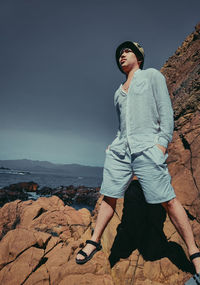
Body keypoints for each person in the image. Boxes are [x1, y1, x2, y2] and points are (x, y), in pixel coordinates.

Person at [75, 41, 200, 284]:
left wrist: (161, 144)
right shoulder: (118, 91)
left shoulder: (152, 76)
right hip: (120, 151)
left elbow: (166, 113)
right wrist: (114, 144)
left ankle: (194, 252)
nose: (122, 55)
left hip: (147, 148)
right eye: (119, 54)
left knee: (169, 200)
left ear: (139, 58)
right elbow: (123, 126)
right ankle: (94, 242)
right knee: (109, 197)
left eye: (127, 51)